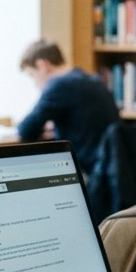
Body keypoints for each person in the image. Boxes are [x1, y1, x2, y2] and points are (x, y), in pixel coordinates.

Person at [17, 38, 120, 172]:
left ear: (43, 65)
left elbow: (26, 130)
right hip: (106, 168)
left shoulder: (59, 85)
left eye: (32, 75)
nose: (35, 83)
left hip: (86, 171)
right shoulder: (92, 80)